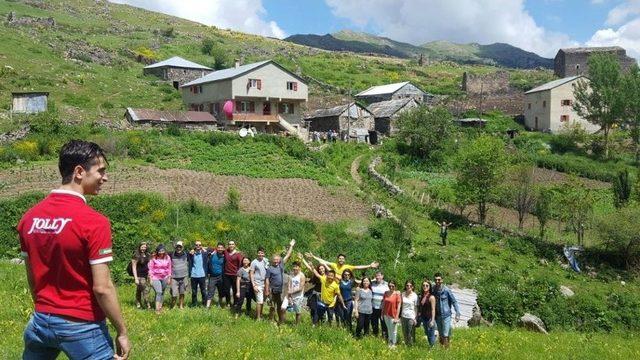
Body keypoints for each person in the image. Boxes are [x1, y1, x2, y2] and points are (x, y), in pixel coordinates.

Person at [18, 140, 130, 359]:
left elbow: (32, 277)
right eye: (101, 171)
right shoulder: (94, 222)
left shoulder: (29, 218)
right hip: (83, 326)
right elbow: (102, 287)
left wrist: (45, 308)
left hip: (41, 322)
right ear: (79, 171)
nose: (105, 178)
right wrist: (122, 331)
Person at [302, 257, 345, 326]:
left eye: (322, 268)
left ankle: (324, 324)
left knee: (326, 312)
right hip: (317, 295)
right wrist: (304, 260)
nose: (321, 270)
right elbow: (312, 270)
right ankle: (315, 323)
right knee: (315, 310)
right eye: (320, 269)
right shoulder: (321, 277)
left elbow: (338, 279)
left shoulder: (330, 278)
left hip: (326, 297)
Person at [264, 239, 296, 325]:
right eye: (274, 260)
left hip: (281, 290)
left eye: (277, 259)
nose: (276, 261)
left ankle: (280, 322)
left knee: (279, 306)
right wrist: (266, 290)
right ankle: (271, 320)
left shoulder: (281, 265)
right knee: (271, 306)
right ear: (272, 260)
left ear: (279, 260)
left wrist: (291, 246)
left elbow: (288, 255)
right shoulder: (270, 268)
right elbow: (267, 280)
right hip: (272, 290)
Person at [433, 273, 460, 349]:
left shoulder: (447, 290)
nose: (437, 281)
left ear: (442, 280)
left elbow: (454, 301)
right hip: (438, 315)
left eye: (439, 279)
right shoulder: (433, 289)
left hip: (446, 315)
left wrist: (457, 313)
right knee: (441, 334)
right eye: (436, 280)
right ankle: (442, 350)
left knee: (445, 334)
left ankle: (447, 350)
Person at [306, 252, 379, 279]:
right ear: (337, 259)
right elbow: (323, 261)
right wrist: (313, 257)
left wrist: (369, 265)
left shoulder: (347, 267)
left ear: (344, 260)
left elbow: (358, 267)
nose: (341, 260)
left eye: (342, 259)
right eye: (340, 258)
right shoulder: (334, 265)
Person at [149, 244, 172, 314]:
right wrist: (150, 278)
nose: (161, 252)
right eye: (160, 251)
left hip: (165, 277)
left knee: (162, 292)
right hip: (155, 277)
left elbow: (169, 268)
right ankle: (157, 309)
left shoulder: (167, 257)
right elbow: (150, 269)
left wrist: (169, 277)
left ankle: (160, 307)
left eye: (163, 251)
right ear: (157, 251)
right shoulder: (153, 258)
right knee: (159, 292)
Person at [250, 247, 269, 320]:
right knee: (259, 301)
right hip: (257, 283)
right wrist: (254, 285)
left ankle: (260, 315)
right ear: (257, 253)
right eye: (259, 253)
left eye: (262, 253)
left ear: (264, 254)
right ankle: (258, 318)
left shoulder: (266, 260)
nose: (260, 254)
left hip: (265, 284)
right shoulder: (254, 262)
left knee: (262, 301)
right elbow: (251, 273)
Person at [223, 240, 243, 308]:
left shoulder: (238, 254)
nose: (231, 245)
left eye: (232, 244)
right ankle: (228, 302)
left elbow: (241, 264)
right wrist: (202, 248)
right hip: (226, 274)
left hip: (235, 275)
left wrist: (239, 273)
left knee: (235, 290)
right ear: (228, 245)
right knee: (226, 290)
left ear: (235, 245)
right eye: (229, 244)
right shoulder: (225, 251)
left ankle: (235, 303)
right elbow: (215, 248)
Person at [382, 280, 402, 349]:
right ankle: (390, 342)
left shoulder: (397, 294)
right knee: (389, 329)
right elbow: (383, 304)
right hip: (386, 314)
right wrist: (382, 313)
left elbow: (399, 306)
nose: (391, 287)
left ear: (395, 286)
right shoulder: (385, 293)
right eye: (390, 286)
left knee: (394, 331)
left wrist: (397, 317)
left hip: (393, 315)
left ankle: (394, 344)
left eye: (393, 286)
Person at [132, 241, 151, 310]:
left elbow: (148, 265)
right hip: (139, 276)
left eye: (145, 247)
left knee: (139, 290)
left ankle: (138, 303)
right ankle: (148, 305)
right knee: (145, 289)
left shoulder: (147, 254)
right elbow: (133, 267)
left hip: (146, 275)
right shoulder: (136, 255)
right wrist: (136, 278)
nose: (144, 248)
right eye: (142, 247)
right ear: (139, 247)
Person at [417, 280, 437, 347]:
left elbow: (433, 309)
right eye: (423, 285)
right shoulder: (422, 296)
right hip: (423, 318)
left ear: (429, 287)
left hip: (429, 318)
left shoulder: (431, 297)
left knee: (430, 334)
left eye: (427, 285)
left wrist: (432, 320)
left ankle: (433, 347)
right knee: (427, 333)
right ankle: (431, 345)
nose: (425, 287)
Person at [188, 241, 208, 306]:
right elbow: (185, 253)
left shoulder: (204, 253)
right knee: (194, 291)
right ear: (195, 246)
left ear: (201, 246)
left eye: (200, 245)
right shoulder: (191, 254)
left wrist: (204, 249)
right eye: (197, 245)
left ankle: (204, 304)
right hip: (193, 275)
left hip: (202, 275)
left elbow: (213, 249)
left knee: (203, 291)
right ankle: (194, 304)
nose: (198, 246)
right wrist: (191, 251)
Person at [206, 243, 225, 308]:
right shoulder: (212, 254)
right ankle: (207, 306)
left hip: (221, 276)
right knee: (210, 291)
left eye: (221, 248)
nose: (220, 249)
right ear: (216, 248)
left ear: (223, 249)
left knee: (221, 291)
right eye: (218, 247)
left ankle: (219, 304)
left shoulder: (225, 256)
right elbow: (205, 248)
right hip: (212, 276)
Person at [170, 241, 189, 309]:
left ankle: (181, 305)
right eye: (177, 247)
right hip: (174, 277)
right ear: (175, 247)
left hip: (184, 277)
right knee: (174, 293)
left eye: (180, 247)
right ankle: (173, 305)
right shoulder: (171, 254)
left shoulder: (186, 254)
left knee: (182, 292)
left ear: (182, 247)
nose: (179, 248)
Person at [371, 271, 389, 339]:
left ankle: (384, 337)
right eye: (376, 276)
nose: (377, 277)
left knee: (383, 323)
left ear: (382, 276)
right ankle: (375, 336)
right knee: (374, 323)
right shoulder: (372, 284)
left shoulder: (387, 285)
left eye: (379, 275)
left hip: (382, 308)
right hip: (373, 307)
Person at [400, 280, 418, 346]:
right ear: (405, 286)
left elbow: (416, 308)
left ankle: (411, 345)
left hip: (411, 317)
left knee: (411, 332)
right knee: (404, 332)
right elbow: (401, 305)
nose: (409, 287)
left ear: (413, 287)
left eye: (410, 285)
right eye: (407, 285)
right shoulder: (403, 294)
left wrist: (415, 318)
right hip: (403, 315)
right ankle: (406, 344)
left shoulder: (415, 295)